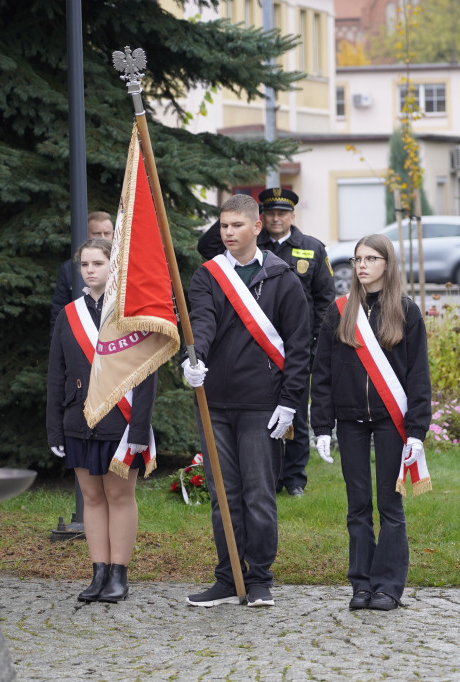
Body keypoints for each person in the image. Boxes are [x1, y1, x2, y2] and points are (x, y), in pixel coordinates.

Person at [182, 194, 311, 608]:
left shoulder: (283, 278)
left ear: (257, 227)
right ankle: (228, 576)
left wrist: (290, 402)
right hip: (215, 403)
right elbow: (201, 320)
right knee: (223, 495)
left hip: (263, 404)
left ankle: (259, 579)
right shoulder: (208, 276)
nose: (228, 233)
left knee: (258, 494)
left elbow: (299, 345)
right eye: (223, 226)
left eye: (236, 225)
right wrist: (193, 357)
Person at [310, 233, 432, 612]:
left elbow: (418, 377)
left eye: (371, 259)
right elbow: (323, 372)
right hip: (349, 420)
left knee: (390, 505)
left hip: (390, 421)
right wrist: (321, 426)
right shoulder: (340, 311)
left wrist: (417, 431)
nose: (362, 266)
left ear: (387, 265)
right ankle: (361, 584)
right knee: (357, 504)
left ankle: (388, 587)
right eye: (358, 260)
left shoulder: (407, 312)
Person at [197, 188, 335, 497]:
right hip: (254, 351)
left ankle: (295, 478)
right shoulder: (248, 244)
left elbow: (324, 302)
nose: (276, 218)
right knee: (266, 422)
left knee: (294, 415)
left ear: (292, 217)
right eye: (270, 213)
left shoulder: (311, 248)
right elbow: (205, 245)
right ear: (261, 219)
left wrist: (313, 348)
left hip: (295, 348)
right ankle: (269, 478)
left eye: (282, 213)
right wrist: (239, 207)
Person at [46, 238, 156, 604]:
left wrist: (139, 428)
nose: (90, 270)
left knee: (119, 496)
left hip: (121, 423)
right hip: (79, 420)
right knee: (91, 498)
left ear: (114, 266)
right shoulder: (69, 314)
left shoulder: (130, 313)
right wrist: (54, 426)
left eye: (98, 263)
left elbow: (146, 373)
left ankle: (119, 574)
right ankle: (99, 572)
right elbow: (56, 374)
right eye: (84, 264)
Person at [50, 211, 115, 331]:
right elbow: (59, 311)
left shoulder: (127, 266)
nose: (102, 238)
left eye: (107, 233)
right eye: (97, 233)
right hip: (82, 336)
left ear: (114, 234)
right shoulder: (69, 269)